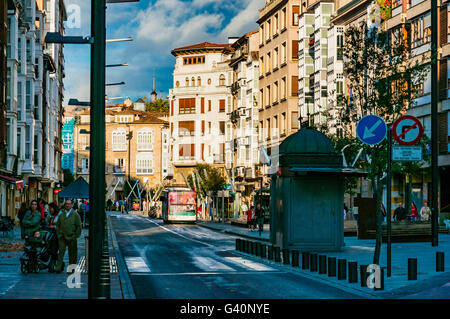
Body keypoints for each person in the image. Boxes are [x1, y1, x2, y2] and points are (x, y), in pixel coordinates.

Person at [54, 199, 82, 274]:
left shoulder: (75, 215)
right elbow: (58, 225)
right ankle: (58, 267)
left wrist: (75, 236)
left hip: (71, 236)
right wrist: (59, 234)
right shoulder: (61, 214)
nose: (67, 205)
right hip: (62, 236)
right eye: (66, 204)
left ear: (72, 205)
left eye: (69, 204)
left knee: (72, 254)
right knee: (61, 252)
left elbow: (79, 226)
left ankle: (71, 268)